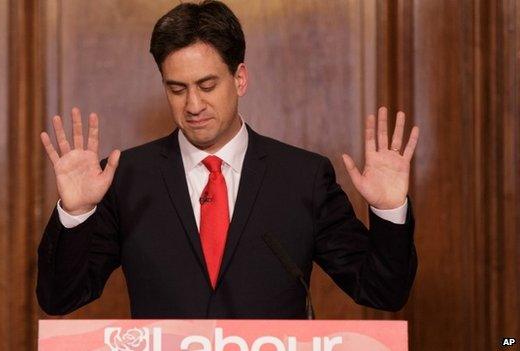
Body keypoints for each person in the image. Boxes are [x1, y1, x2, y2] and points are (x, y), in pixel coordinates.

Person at [36, 0, 419, 318]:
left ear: (240, 79)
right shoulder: (127, 178)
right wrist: (76, 214)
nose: (193, 105)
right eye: (177, 89)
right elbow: (60, 299)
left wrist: (389, 212)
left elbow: (382, 292)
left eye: (207, 85)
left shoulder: (302, 177)